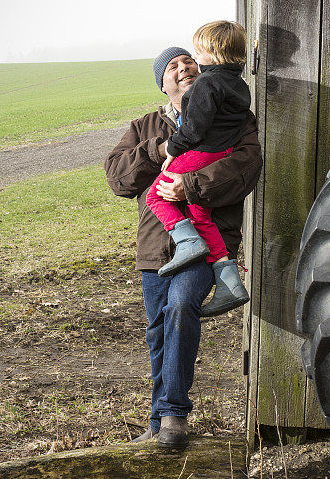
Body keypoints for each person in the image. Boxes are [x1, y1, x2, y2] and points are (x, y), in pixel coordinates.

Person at [104, 46, 262, 448]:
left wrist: (188, 184)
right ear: (162, 82)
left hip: (208, 241)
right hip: (157, 244)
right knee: (157, 330)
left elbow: (246, 169)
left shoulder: (234, 117)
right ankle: (160, 423)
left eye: (189, 60)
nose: (183, 67)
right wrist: (160, 150)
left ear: (204, 67)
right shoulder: (145, 126)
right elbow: (118, 178)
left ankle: (174, 414)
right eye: (172, 66)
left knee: (180, 307)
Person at [145, 21, 251, 317]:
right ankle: (229, 282)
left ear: (210, 53)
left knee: (155, 196)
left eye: (195, 52)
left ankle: (188, 242)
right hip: (222, 151)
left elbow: (195, 128)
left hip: (202, 152)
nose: (193, 58)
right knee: (200, 212)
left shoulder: (208, 83)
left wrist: (173, 149)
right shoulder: (237, 84)